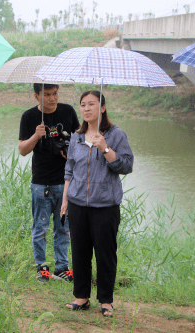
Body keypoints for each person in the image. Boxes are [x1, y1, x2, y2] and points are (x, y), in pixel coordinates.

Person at [61, 91, 133, 317]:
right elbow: (69, 169)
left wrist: (105, 148)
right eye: (82, 105)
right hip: (77, 203)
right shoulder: (76, 137)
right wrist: (65, 198)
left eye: (92, 104)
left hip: (105, 205)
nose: (86, 108)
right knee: (80, 251)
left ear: (102, 108)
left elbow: (126, 166)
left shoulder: (116, 135)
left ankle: (106, 301)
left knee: (105, 253)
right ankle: (81, 297)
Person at [18, 83, 80, 282]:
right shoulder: (29, 117)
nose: (53, 98)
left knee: (63, 227)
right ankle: (42, 266)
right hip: (41, 182)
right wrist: (36, 135)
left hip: (65, 181)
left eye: (55, 94)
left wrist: (69, 150)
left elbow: (80, 139)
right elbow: (22, 150)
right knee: (40, 227)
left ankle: (62, 267)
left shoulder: (68, 111)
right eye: (47, 95)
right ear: (37, 96)